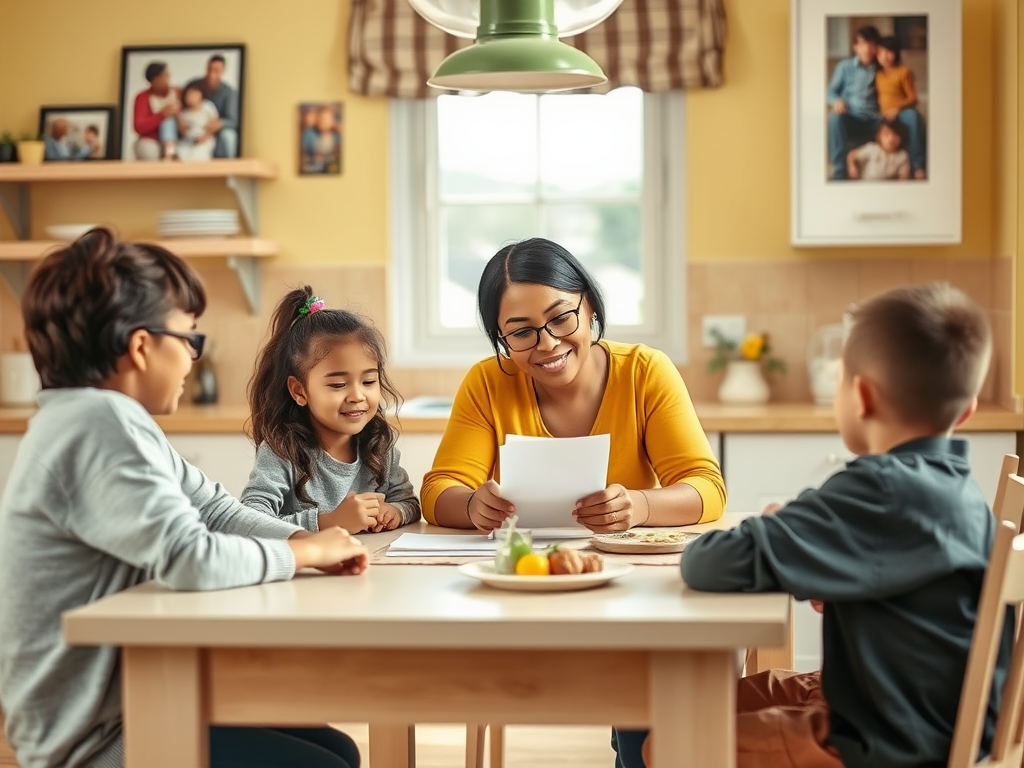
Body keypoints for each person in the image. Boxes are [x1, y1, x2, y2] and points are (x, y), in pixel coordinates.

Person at [0, 228, 368, 768]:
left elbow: (216, 510)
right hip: (93, 738)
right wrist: (304, 553)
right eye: (190, 341)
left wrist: (304, 536)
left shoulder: (107, 418)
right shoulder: (97, 424)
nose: (194, 359)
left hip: (129, 700)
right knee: (328, 764)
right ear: (142, 348)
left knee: (335, 750)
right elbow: (189, 557)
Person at [627, 282, 1011, 768]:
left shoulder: (880, 490)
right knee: (688, 704)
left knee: (668, 743)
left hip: (883, 744)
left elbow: (708, 563)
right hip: (925, 718)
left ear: (862, 396)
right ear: (969, 409)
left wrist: (778, 525)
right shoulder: (957, 490)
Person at [420, 237, 725, 532]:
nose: (549, 343)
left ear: (589, 304)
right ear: (502, 339)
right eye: (522, 332)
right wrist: (472, 505)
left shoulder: (643, 372)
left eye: (562, 317)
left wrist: (640, 505)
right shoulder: (488, 382)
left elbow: (708, 487)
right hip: (522, 568)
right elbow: (437, 493)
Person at [241, 287, 420, 533]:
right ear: (299, 391)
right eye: (338, 385)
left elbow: (408, 502)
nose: (358, 396)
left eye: (369, 382)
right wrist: (329, 521)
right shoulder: (282, 450)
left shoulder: (378, 443)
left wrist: (396, 512)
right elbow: (249, 521)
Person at [827, 26, 881, 180]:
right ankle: (839, 170)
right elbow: (830, 91)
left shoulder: (881, 67)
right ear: (855, 47)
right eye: (862, 45)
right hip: (851, 117)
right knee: (834, 118)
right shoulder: (844, 67)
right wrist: (836, 101)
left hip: (876, 120)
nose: (867, 50)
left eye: (871, 45)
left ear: (877, 47)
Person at [876, 35, 927, 179]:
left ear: (895, 53)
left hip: (901, 112)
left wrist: (896, 109)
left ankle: (918, 165)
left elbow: (913, 98)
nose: (884, 56)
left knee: (913, 116)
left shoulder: (904, 71)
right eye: (880, 53)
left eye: (888, 52)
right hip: (883, 114)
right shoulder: (877, 74)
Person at [184, 53, 240, 158]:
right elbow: (182, 107)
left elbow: (233, 120)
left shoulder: (229, 92)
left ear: (223, 72)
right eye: (209, 69)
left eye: (216, 71)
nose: (211, 74)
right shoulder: (194, 85)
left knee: (229, 136)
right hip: (192, 127)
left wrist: (218, 124)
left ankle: (231, 170)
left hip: (213, 132)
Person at [132, 61, 181, 160]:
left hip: (178, 138)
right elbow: (139, 126)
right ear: (154, 80)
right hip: (152, 139)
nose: (167, 79)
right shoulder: (142, 97)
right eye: (164, 76)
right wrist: (161, 115)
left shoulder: (178, 92)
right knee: (148, 150)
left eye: (168, 75)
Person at [846, 119, 910, 181]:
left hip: (887, 189)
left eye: (895, 135)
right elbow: (851, 155)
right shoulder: (872, 149)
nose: (891, 139)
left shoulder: (902, 156)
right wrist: (852, 167)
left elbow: (903, 180)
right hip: (866, 186)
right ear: (879, 137)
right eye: (886, 134)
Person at [174, 82, 220, 162]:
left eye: (192, 95)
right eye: (187, 95)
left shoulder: (208, 107)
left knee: (200, 153)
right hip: (189, 141)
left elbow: (214, 125)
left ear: (200, 95)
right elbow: (183, 131)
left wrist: (205, 136)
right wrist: (178, 116)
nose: (188, 97)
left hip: (205, 139)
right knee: (181, 153)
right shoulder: (185, 113)